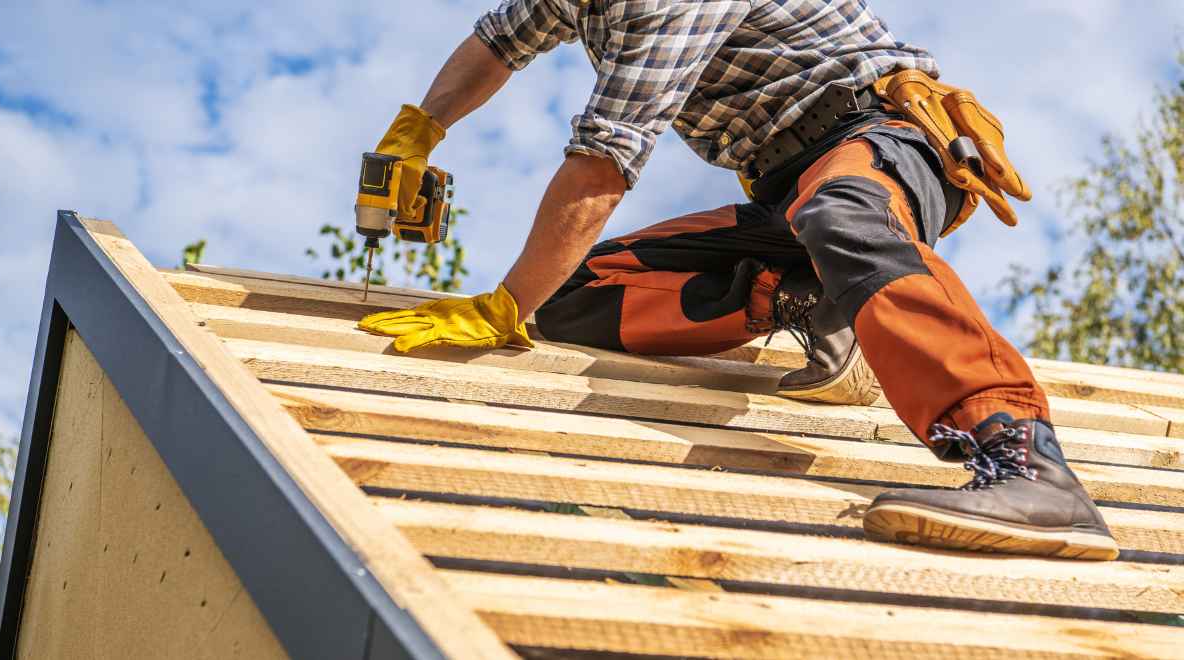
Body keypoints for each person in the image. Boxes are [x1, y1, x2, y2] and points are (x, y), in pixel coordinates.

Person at [358, 0, 1119, 561]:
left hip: (879, 139)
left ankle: (1024, 458)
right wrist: (421, 127)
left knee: (844, 215)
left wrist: (501, 307)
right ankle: (814, 301)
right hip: (788, 192)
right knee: (573, 295)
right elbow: (498, 41)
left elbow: (603, 162)